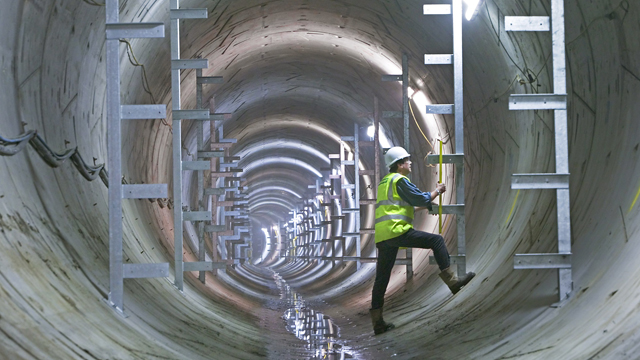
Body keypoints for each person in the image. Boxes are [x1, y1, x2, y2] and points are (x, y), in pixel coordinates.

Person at [369, 146, 475, 335]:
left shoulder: (385, 182)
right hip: (397, 231)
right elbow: (419, 198)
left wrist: (424, 206)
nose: (410, 163)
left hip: (384, 237)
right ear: (400, 165)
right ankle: (452, 281)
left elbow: (400, 206)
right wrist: (437, 191)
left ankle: (377, 322)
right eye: (407, 160)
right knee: (436, 241)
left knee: (381, 279)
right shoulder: (400, 180)